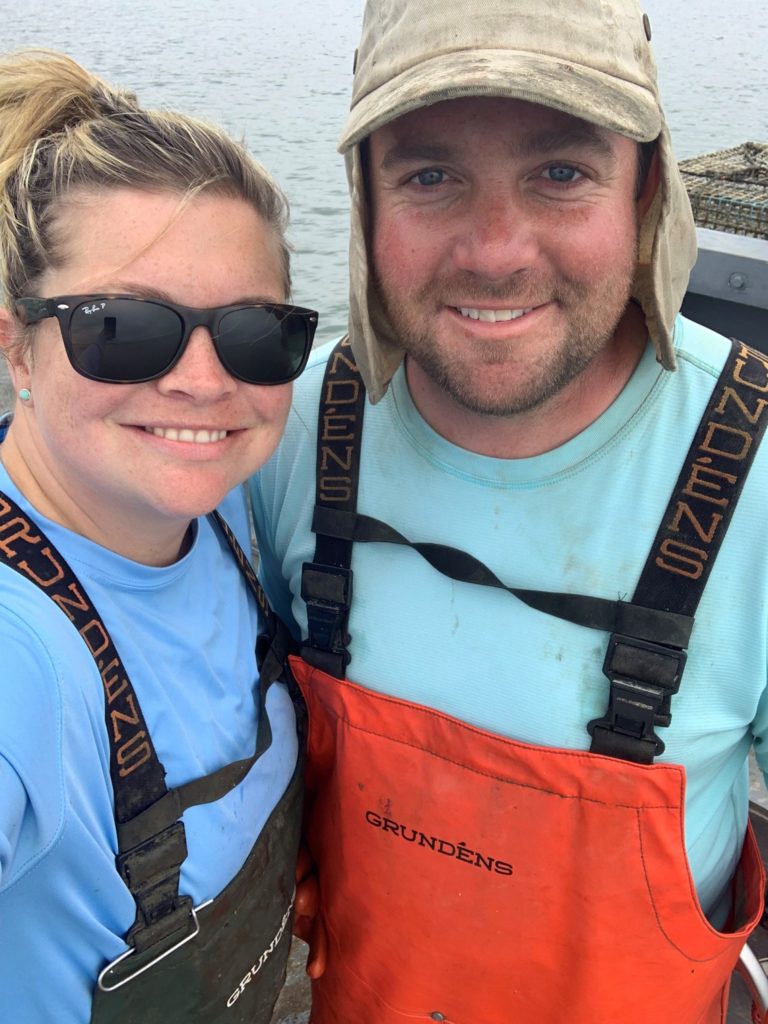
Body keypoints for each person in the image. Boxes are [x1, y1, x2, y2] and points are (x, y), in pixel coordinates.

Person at [250, 1, 768, 1021]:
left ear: (647, 190)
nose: (495, 251)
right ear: (363, 198)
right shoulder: (280, 432)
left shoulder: (753, 468)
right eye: (430, 174)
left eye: (561, 171)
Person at [0, 50, 318, 1024]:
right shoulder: (25, 657)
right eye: (126, 328)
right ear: (15, 345)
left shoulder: (220, 510)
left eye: (253, 334)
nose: (202, 380)